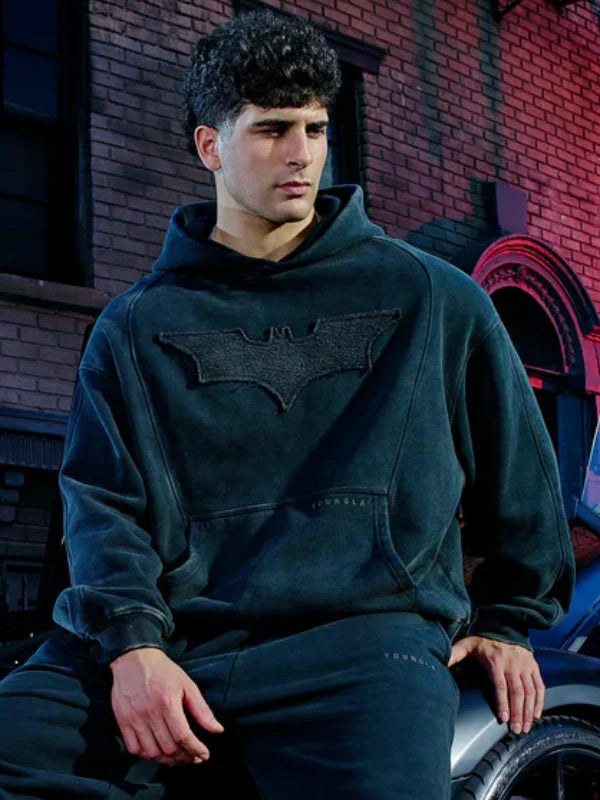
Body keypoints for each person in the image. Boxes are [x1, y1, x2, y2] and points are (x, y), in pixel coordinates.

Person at [0, 9, 575, 800]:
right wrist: (132, 646)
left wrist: (506, 621)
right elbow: (103, 507)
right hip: (177, 640)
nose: (302, 153)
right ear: (211, 146)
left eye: (315, 127)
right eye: (272, 129)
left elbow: (522, 480)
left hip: (361, 646)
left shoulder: (430, 297)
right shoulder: (135, 326)